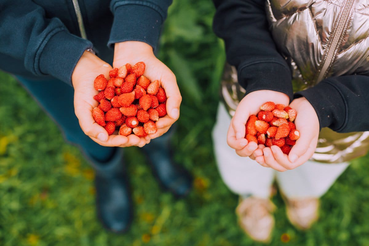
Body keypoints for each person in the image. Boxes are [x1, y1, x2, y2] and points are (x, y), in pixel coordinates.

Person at [0, 0, 192, 234]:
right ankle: (109, 169)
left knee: (156, 106)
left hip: (127, 25)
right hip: (34, 51)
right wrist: (53, 50)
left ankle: (158, 147)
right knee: (80, 122)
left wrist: (137, 28)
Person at [212, 0, 369, 243]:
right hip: (251, 87)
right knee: (240, 152)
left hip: (347, 125)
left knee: (316, 172)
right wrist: (263, 72)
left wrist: (331, 104)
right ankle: (253, 195)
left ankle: (300, 194)